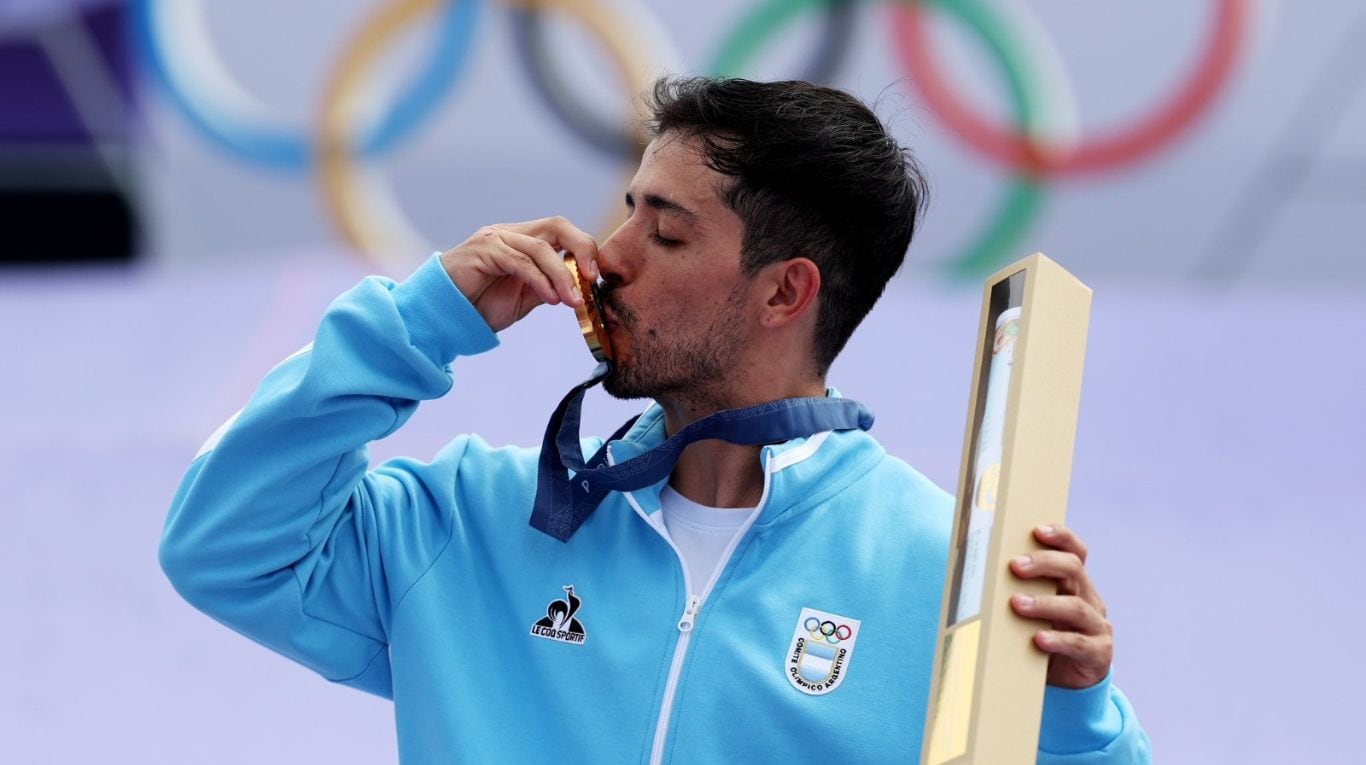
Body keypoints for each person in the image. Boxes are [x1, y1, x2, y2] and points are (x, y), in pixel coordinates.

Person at [160, 77, 1150, 763]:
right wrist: (420, 322)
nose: (608, 252)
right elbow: (223, 547)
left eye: (664, 232)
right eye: (626, 209)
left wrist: (1071, 714)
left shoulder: (947, 572)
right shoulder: (471, 523)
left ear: (781, 294)